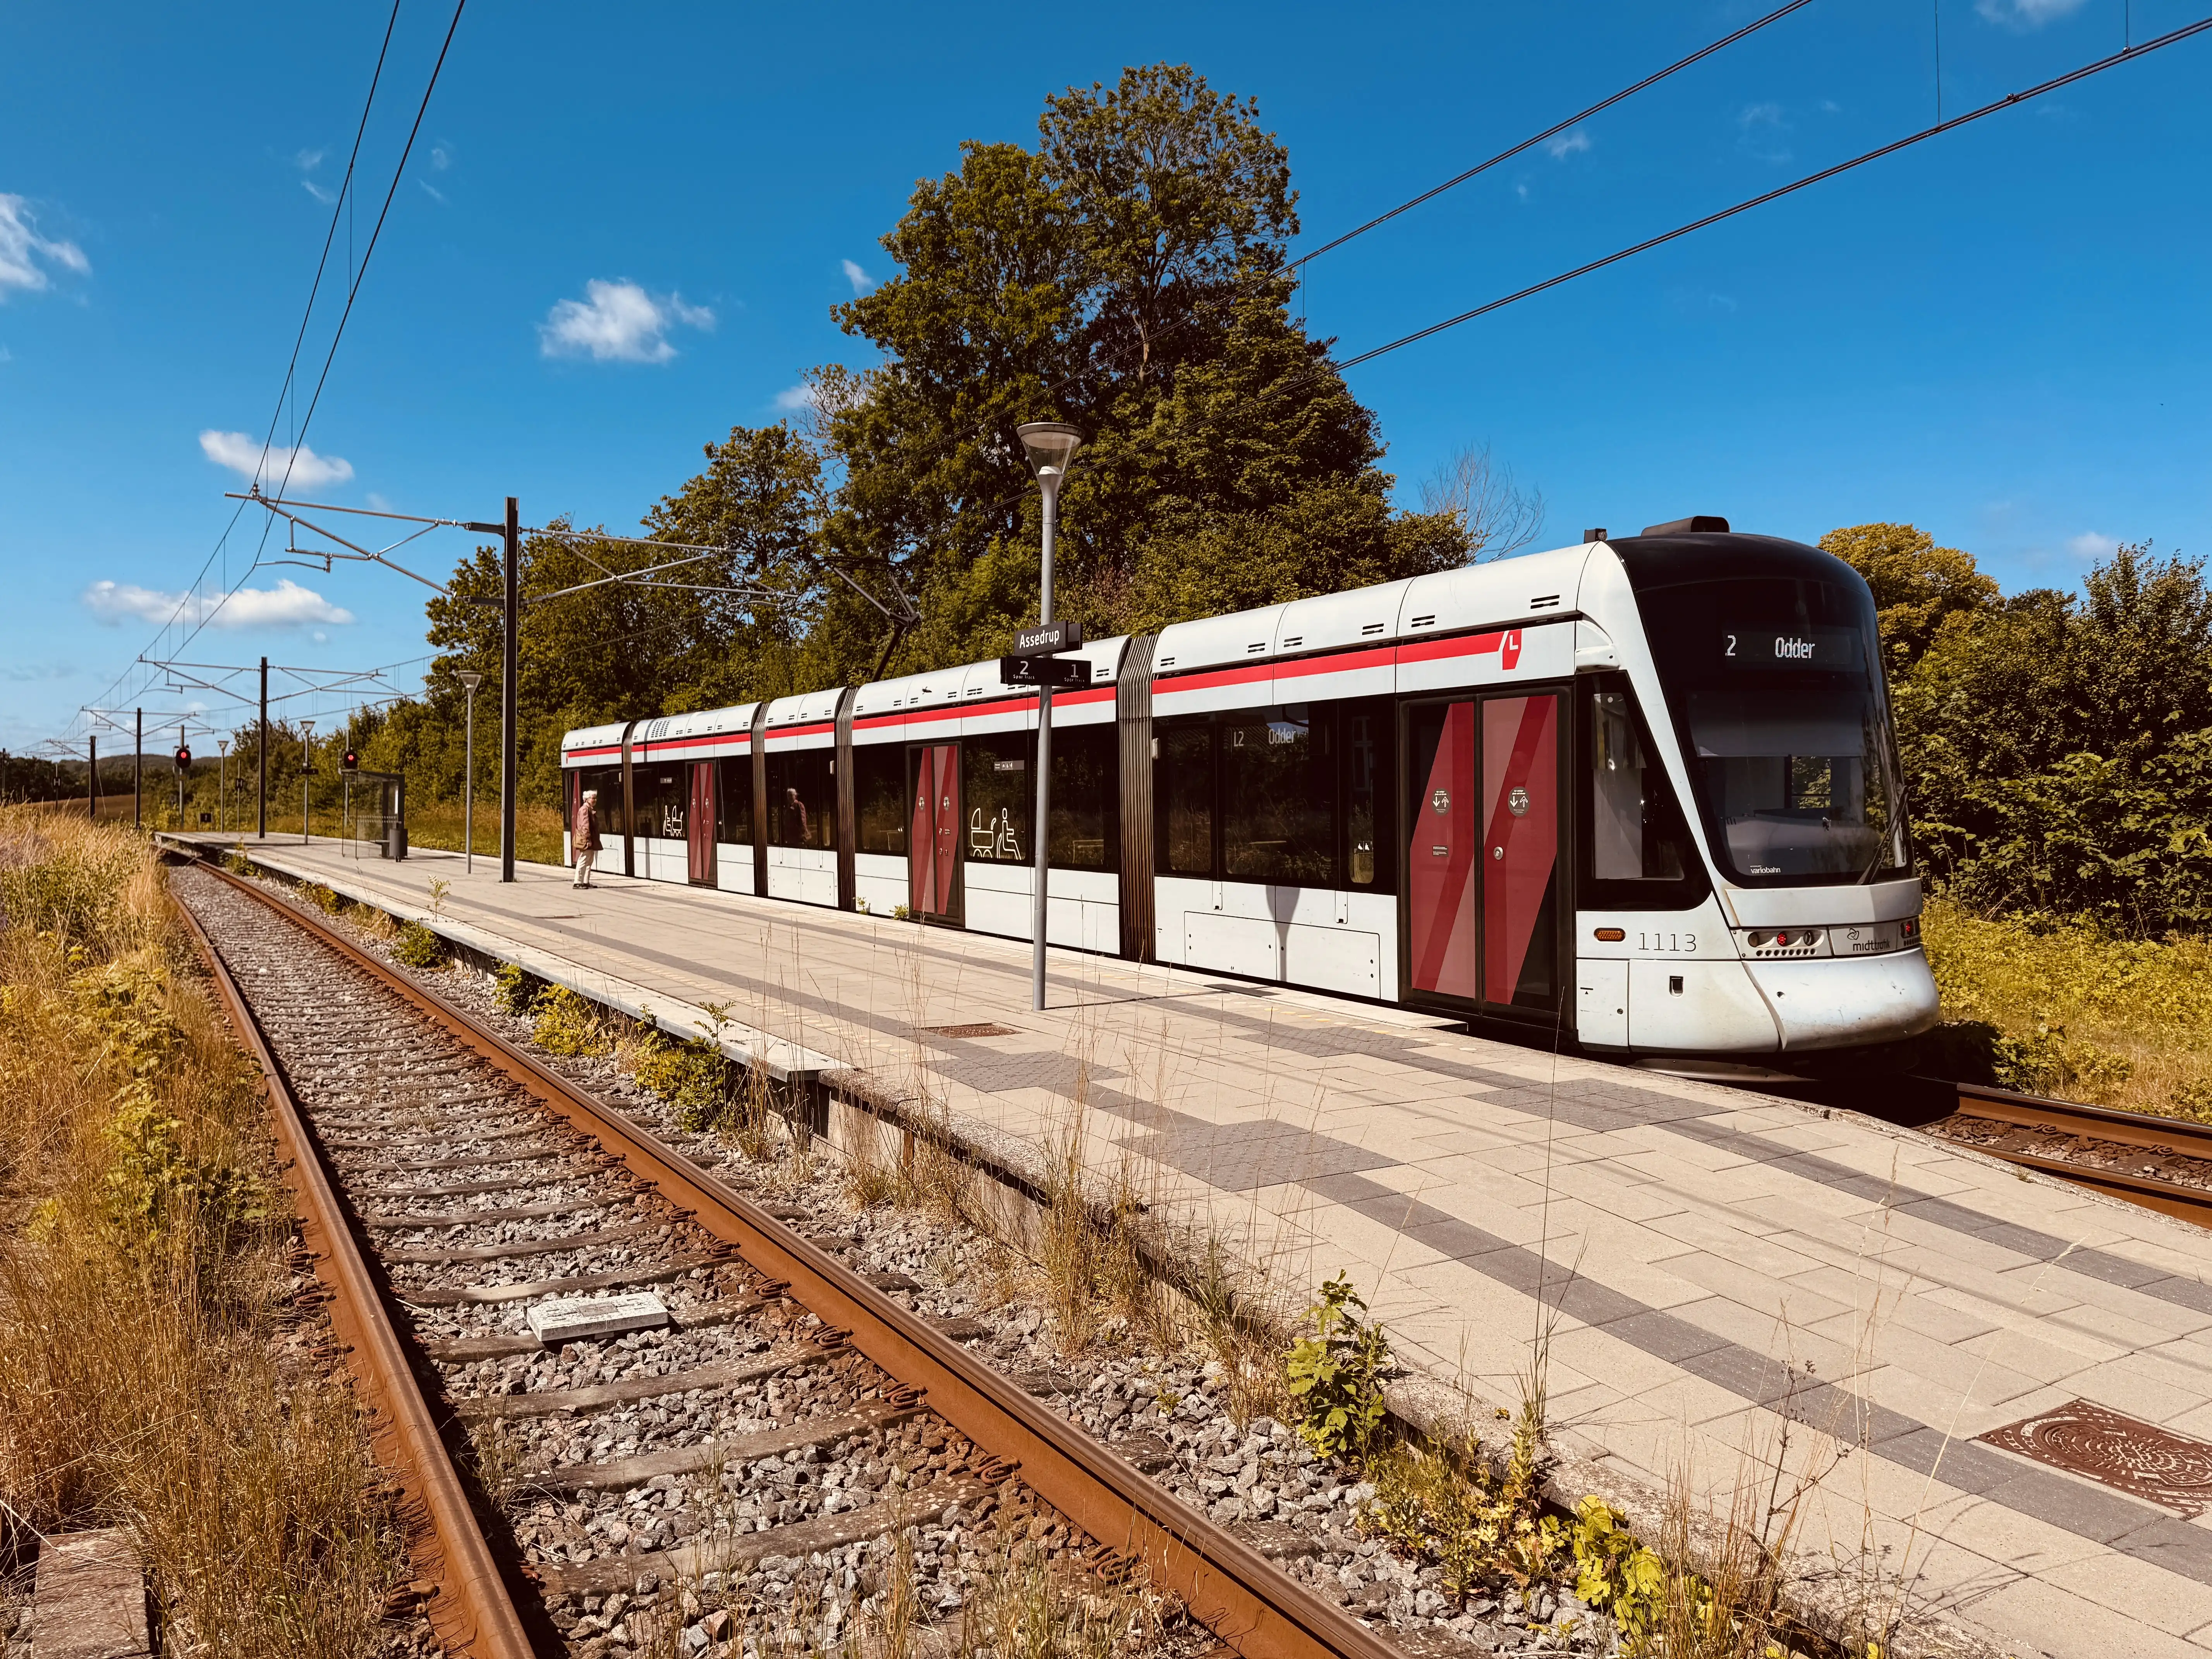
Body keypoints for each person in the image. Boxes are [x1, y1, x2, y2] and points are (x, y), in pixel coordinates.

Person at [572, 789, 603, 888]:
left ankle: (586, 882)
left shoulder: (589, 809)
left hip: (591, 840)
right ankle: (578, 882)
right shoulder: (585, 810)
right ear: (588, 799)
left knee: (589, 861)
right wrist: (588, 840)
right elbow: (585, 826)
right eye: (593, 798)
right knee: (584, 859)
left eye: (596, 798)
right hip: (587, 840)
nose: (595, 800)